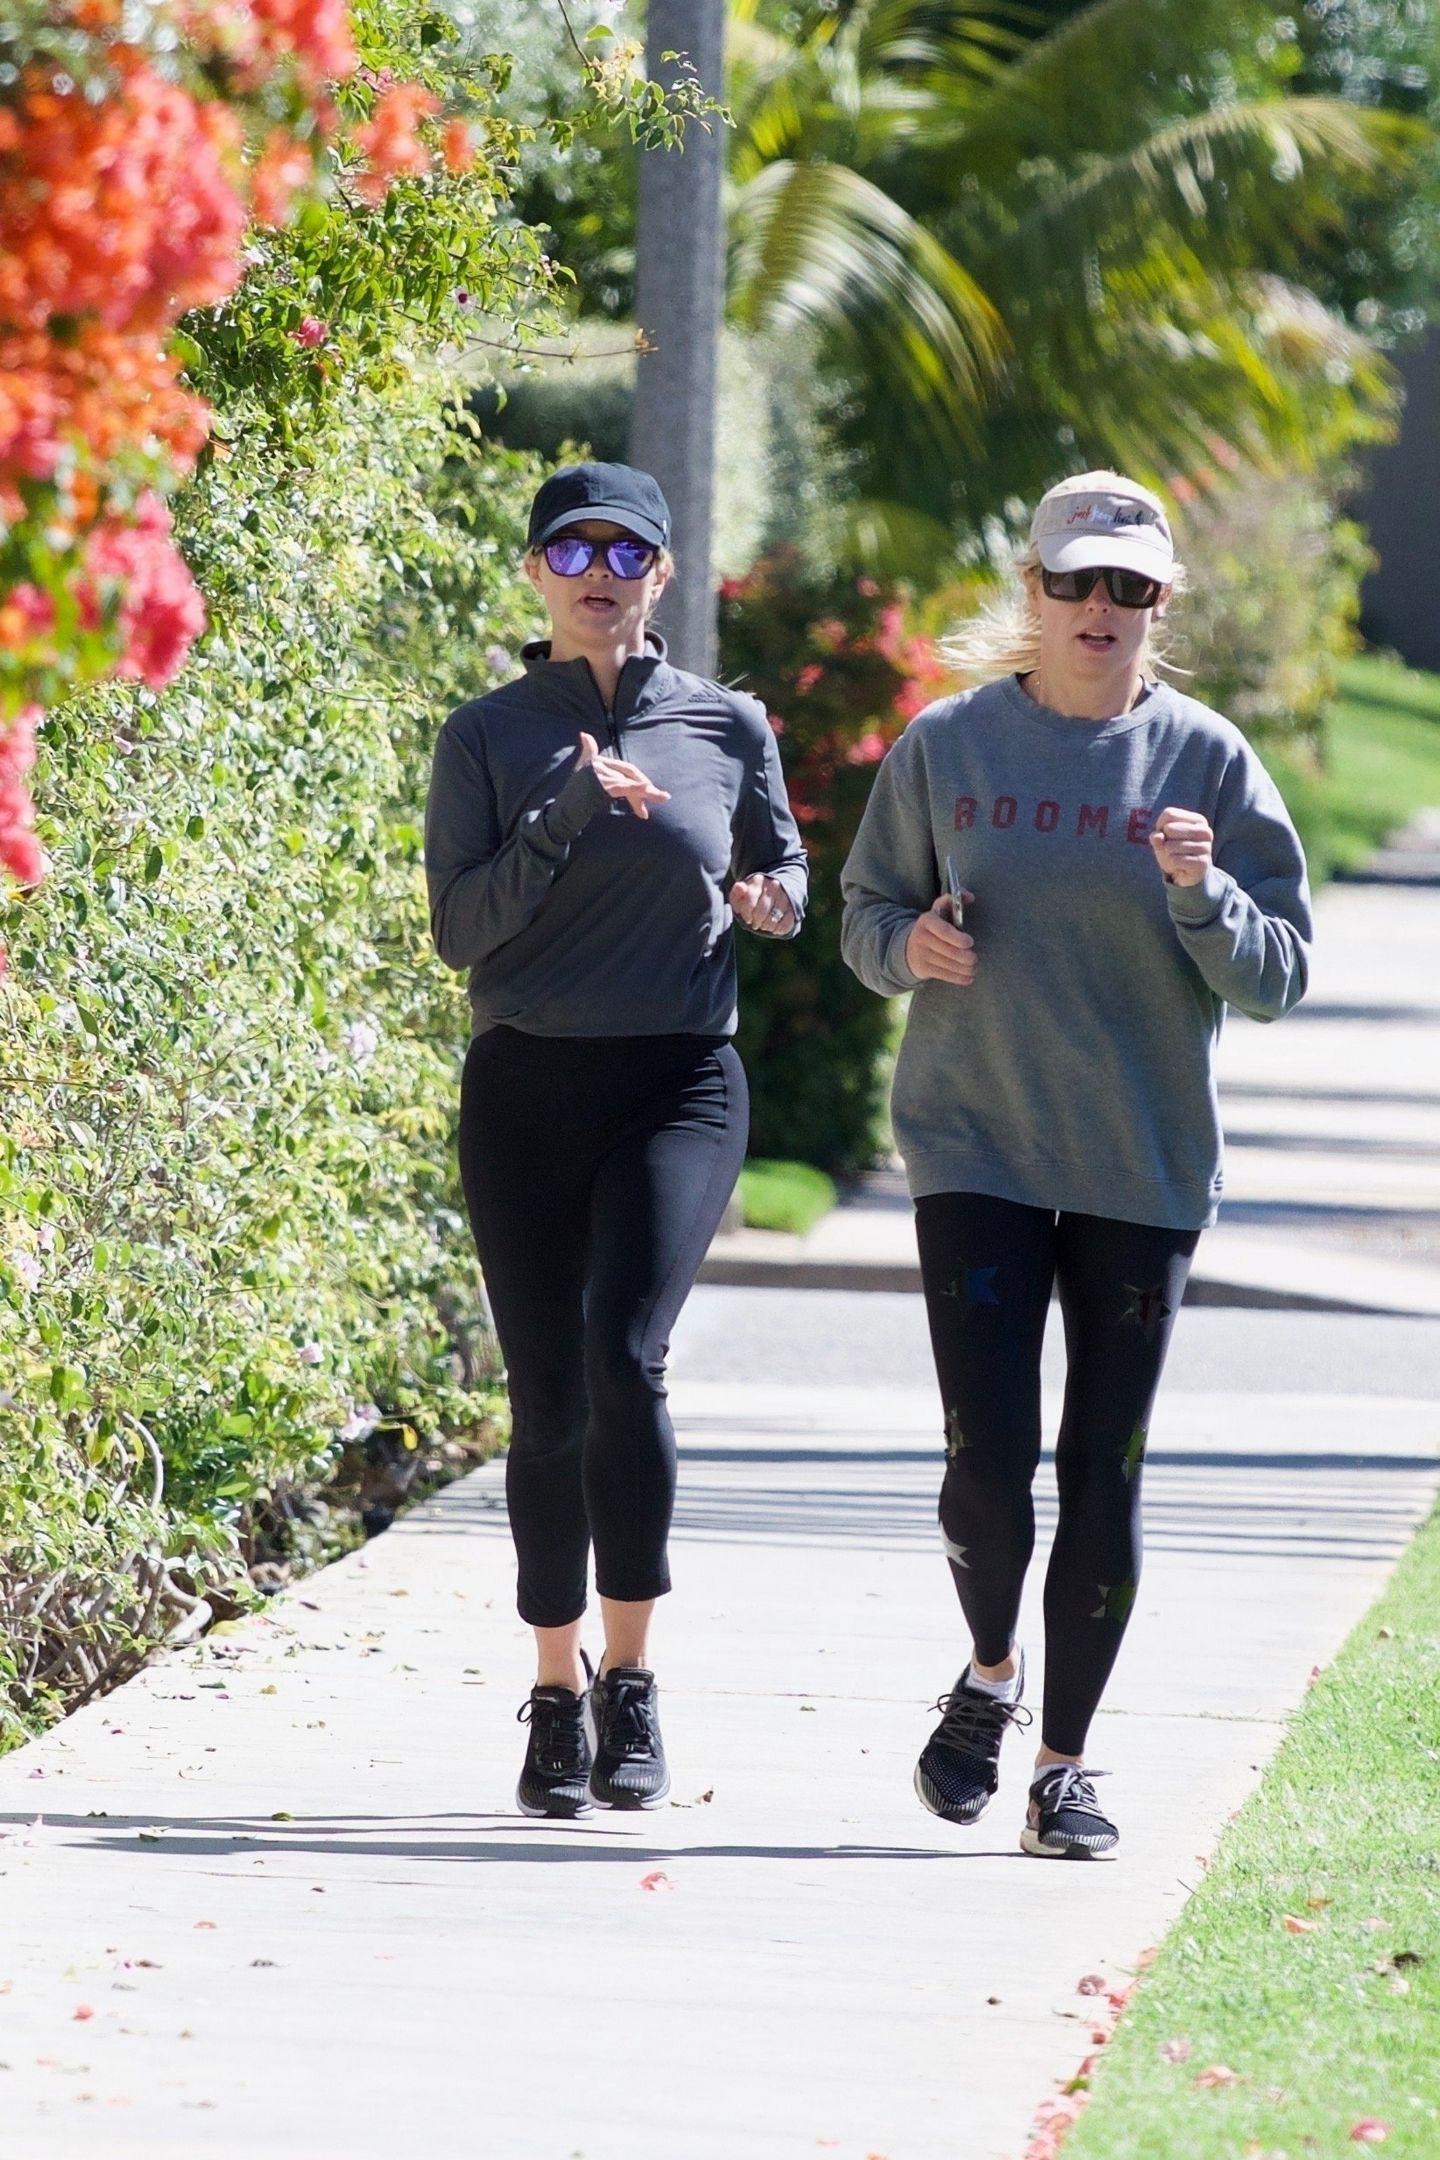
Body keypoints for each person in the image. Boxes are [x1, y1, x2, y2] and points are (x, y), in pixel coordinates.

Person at [840, 471, 1311, 1859]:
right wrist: (909, 948)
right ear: (1033, 594)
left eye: (1131, 588)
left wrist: (1205, 896)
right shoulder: (949, 747)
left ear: (1157, 606)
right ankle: (991, 1672)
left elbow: (1280, 974)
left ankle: (1064, 1768)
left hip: (1140, 1163)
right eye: (1078, 583)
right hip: (973, 1143)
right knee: (988, 1463)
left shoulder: (1210, 764)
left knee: (1101, 1474)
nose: (1102, 608)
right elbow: (865, 915)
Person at [425, 461, 807, 1818]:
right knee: (548, 1399)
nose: (598, 572)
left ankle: (633, 1683)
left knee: (625, 1359)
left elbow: (780, 867)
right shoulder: (486, 735)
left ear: (660, 574)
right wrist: (568, 812)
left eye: (625, 551)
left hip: (679, 1081)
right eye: (571, 551)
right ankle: (552, 1690)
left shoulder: (725, 723)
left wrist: (773, 900)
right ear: (535, 573)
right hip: (526, 1085)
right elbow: (461, 932)